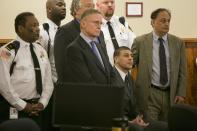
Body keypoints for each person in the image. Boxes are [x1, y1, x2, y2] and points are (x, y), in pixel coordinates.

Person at [0, 12, 54, 130]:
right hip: (15, 109)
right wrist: (24, 106)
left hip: (39, 109)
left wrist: (42, 103)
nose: (37, 29)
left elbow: (48, 82)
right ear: (20, 28)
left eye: (38, 25)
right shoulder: (7, 51)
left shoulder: (41, 50)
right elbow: (4, 86)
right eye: (33, 25)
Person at [131, 8, 187, 122]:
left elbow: (183, 71)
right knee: (151, 127)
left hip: (170, 94)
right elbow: (130, 64)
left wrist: (181, 93)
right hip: (149, 93)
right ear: (152, 22)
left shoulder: (178, 42)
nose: (166, 23)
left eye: (168, 21)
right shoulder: (140, 41)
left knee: (168, 126)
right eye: (162, 20)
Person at [64, 8, 112, 85]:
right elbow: (85, 80)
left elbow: (110, 72)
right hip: (92, 95)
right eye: (96, 22)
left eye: (100, 23)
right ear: (83, 24)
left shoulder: (99, 46)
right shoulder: (74, 49)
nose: (99, 26)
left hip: (108, 94)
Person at [37, 0, 66, 130]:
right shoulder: (42, 31)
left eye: (64, 5)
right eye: (59, 5)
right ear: (49, 9)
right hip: (49, 88)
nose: (64, 7)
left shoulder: (64, 31)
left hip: (64, 87)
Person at [54, 0, 94, 81]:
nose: (92, 10)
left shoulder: (99, 33)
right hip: (77, 89)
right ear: (76, 9)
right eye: (88, 6)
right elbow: (62, 68)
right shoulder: (64, 32)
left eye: (93, 7)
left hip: (100, 88)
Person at [113, 46, 149, 131]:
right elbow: (111, 108)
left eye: (131, 56)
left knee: (162, 126)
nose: (130, 58)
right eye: (126, 55)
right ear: (116, 59)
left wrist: (138, 117)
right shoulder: (110, 77)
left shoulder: (130, 78)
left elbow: (134, 102)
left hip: (132, 118)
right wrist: (129, 121)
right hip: (118, 121)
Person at [96, 0, 136, 65]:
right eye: (106, 2)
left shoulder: (121, 22)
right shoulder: (95, 25)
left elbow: (134, 45)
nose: (110, 5)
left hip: (124, 71)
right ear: (97, 6)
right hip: (105, 71)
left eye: (112, 2)